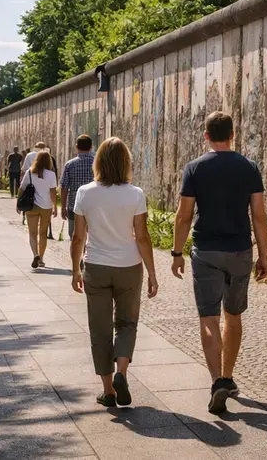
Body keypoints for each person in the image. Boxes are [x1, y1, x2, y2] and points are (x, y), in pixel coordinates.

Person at [171, 111, 267, 413]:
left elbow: (184, 214)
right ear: (233, 134)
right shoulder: (249, 167)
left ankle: (217, 381)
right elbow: (259, 214)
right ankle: (228, 376)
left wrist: (176, 252)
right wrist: (264, 254)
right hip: (240, 250)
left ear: (206, 135)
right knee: (234, 315)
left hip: (207, 251)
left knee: (209, 318)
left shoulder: (194, 168)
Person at [70, 137, 158, 407]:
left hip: (96, 265)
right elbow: (142, 237)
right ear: (125, 163)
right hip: (129, 267)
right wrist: (152, 273)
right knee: (127, 323)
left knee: (100, 329)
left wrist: (75, 270)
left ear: (98, 162)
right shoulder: (135, 194)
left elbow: (78, 237)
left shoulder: (85, 192)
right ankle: (122, 372)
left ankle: (108, 391)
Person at [19, 151, 57, 269]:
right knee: (43, 233)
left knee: (32, 233)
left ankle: (35, 254)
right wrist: (55, 206)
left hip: (32, 206)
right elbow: (53, 192)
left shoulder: (30, 172)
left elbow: (22, 188)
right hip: (46, 207)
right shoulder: (51, 174)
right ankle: (41, 258)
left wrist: (18, 204)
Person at [59, 135, 94, 242]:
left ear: (76, 146)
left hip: (74, 204)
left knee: (74, 234)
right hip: (94, 204)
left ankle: (79, 257)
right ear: (91, 147)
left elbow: (64, 187)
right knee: (92, 234)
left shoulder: (70, 164)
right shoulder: (97, 163)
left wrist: (63, 207)